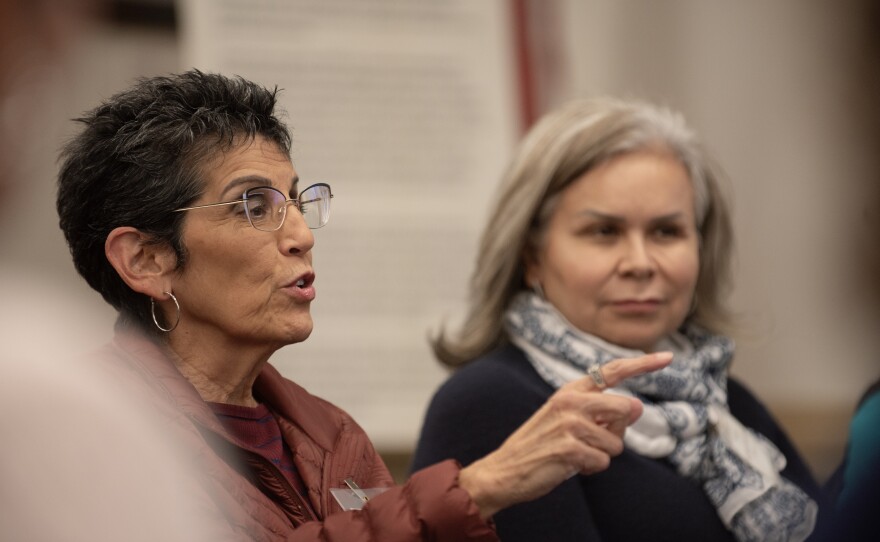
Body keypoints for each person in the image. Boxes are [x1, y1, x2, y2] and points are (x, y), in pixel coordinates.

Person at [54, 70, 674, 541]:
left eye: (297, 201)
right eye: (253, 206)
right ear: (147, 261)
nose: (301, 234)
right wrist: (483, 487)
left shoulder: (331, 433)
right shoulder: (85, 432)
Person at [412, 97, 823, 542]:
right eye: (604, 232)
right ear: (531, 256)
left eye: (666, 232)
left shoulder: (722, 399)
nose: (640, 262)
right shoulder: (492, 403)